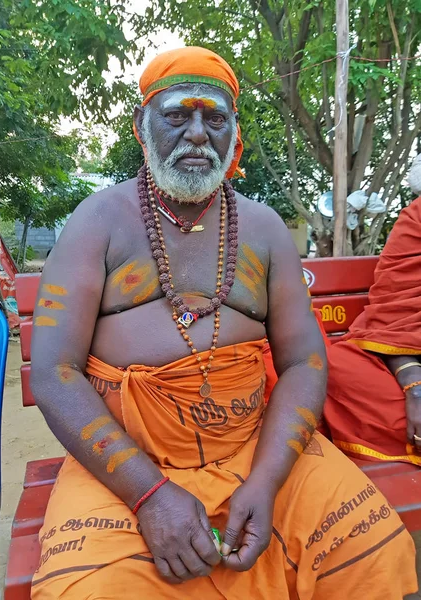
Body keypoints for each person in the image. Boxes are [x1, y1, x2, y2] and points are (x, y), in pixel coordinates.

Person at [30, 47, 416, 599]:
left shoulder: (263, 228)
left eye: (214, 118)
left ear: (233, 135)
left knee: (370, 553)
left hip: (253, 444)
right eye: (176, 116)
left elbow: (305, 360)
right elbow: (53, 372)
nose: (196, 133)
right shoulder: (97, 221)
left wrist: (266, 480)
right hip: (128, 463)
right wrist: (149, 496)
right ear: (143, 127)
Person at [323, 173, 421, 464]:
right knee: (329, 367)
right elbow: (393, 318)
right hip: (404, 364)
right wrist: (415, 386)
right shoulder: (416, 219)